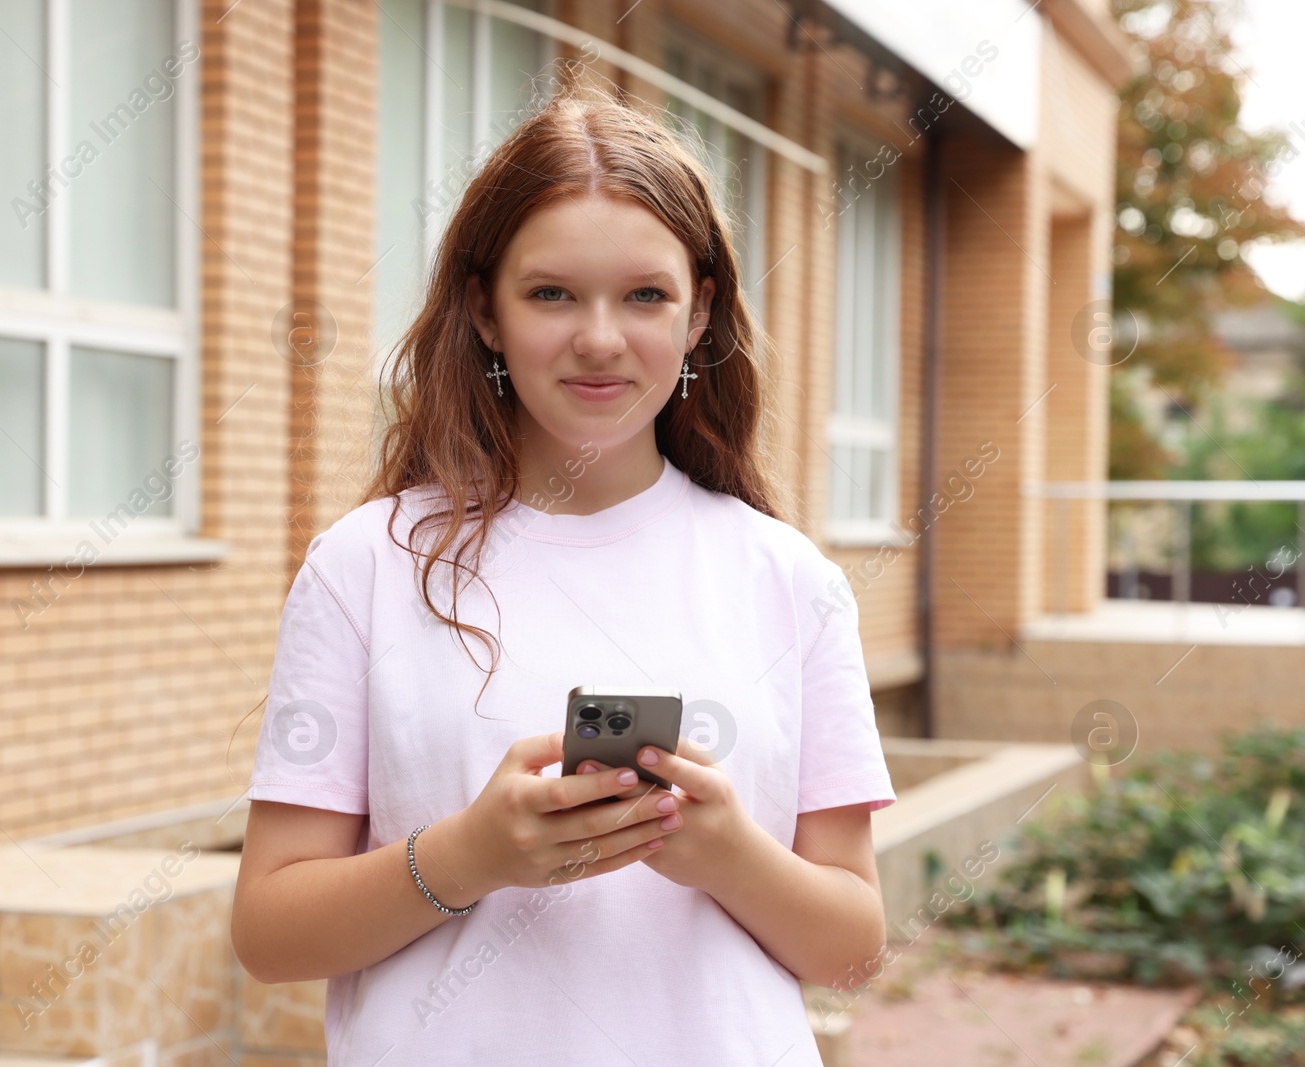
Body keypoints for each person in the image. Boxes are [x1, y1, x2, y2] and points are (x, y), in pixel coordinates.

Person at [230, 75, 896, 1065]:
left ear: (699, 312)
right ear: (483, 311)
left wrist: (729, 855)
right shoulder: (363, 565)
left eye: (645, 295)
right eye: (551, 292)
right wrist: (469, 856)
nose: (598, 336)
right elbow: (269, 931)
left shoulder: (788, 579)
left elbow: (850, 949)